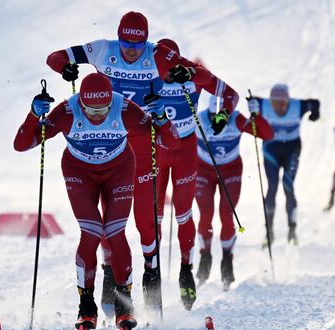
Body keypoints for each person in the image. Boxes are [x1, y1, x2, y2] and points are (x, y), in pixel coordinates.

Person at [45, 11, 214, 314]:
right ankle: (111, 276)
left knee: (145, 221)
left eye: (138, 43)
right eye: (126, 41)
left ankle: (152, 271)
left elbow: (205, 76)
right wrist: (64, 67)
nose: (132, 49)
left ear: (146, 41)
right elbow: (56, 56)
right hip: (112, 143)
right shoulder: (103, 49)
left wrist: (186, 73)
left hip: (144, 142)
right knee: (110, 221)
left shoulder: (159, 55)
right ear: (118, 36)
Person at [13, 72, 179, 330]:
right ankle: (86, 306)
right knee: (90, 234)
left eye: (103, 109)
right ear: (81, 103)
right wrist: (34, 114)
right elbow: (21, 145)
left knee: (115, 233)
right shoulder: (67, 112)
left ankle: (124, 307)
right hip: (79, 172)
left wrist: (161, 117)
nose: (98, 115)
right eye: (91, 109)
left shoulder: (124, 108)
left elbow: (169, 141)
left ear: (110, 102)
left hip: (119, 170)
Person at [153, 38, 240, 309]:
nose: (164, 71)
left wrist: (224, 115)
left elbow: (230, 94)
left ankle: (186, 270)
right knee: (153, 213)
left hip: (185, 153)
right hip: (156, 151)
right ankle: (151, 273)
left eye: (170, 65)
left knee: (184, 213)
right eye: (159, 66)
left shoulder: (192, 76)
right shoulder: (146, 77)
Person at [195, 96, 273, 289]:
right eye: (214, 115)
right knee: (205, 215)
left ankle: (227, 261)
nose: (218, 120)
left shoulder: (237, 119)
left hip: (230, 171)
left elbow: (266, 134)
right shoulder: (199, 120)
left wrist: (256, 115)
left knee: (227, 214)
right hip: (204, 170)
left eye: (222, 116)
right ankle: (205, 257)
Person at [247, 84, 320, 245]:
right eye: (275, 103)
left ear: (289, 101)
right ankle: (269, 231)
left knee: (288, 186)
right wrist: (251, 107)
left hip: (291, 150)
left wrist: (315, 113)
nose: (280, 107)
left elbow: (315, 103)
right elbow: (251, 100)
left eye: (283, 103)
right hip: (271, 150)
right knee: (272, 187)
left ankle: (292, 229)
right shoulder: (263, 105)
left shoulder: (297, 106)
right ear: (270, 102)